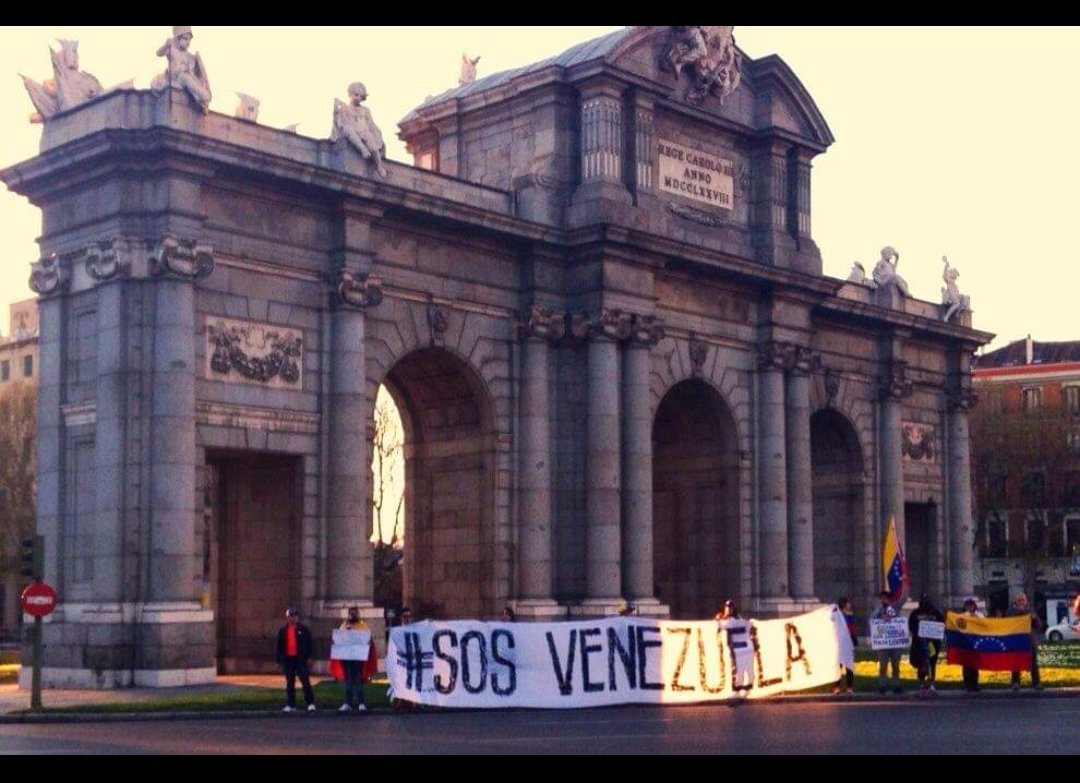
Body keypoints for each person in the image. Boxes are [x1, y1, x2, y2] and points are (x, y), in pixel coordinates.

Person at [332, 82, 388, 178]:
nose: (358, 98)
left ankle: (379, 165)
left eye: (361, 96)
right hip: (352, 131)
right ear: (350, 94)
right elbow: (340, 123)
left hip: (364, 131)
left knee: (370, 140)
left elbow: (371, 125)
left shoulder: (365, 110)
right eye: (356, 95)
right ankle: (363, 149)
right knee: (348, 130)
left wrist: (377, 135)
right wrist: (336, 110)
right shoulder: (345, 108)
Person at [152, 26, 212, 113]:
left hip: (182, 79)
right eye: (185, 39)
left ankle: (203, 97)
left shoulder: (189, 56)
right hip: (172, 78)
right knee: (184, 77)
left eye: (189, 40)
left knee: (186, 78)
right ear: (178, 38)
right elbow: (158, 53)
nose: (188, 42)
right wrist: (165, 45)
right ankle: (204, 96)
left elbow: (192, 74)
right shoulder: (171, 48)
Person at [275, 606, 316, 713]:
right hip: (288, 660)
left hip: (300, 660)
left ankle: (310, 703)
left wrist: (308, 657)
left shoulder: (304, 630)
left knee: (305, 681)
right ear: (287, 617)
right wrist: (280, 660)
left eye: (295, 616)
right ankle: (291, 704)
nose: (293, 618)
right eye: (291, 616)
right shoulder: (283, 631)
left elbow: (309, 645)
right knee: (290, 683)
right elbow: (279, 647)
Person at [908, 594, 944, 694]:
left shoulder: (935, 613)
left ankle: (931, 685)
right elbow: (911, 626)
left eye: (927, 600)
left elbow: (941, 624)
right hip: (920, 643)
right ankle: (922, 685)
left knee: (932, 663)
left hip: (932, 644)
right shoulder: (915, 613)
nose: (925, 603)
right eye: (923, 601)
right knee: (921, 664)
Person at [337, 606, 371, 713]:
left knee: (358, 680)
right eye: (351, 613)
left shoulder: (363, 626)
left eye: (354, 613)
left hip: (358, 658)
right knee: (348, 681)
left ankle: (361, 703)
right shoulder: (344, 625)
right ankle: (347, 703)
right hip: (347, 658)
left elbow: (368, 640)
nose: (352, 615)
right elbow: (339, 639)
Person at [1007, 592, 1043, 691]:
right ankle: (1015, 682)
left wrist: (1034, 618)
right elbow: (1007, 621)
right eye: (1019, 600)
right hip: (1016, 641)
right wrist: (1022, 613)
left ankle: (1036, 683)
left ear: (1026, 602)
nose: (1021, 602)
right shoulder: (1011, 612)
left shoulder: (1030, 612)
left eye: (1023, 600)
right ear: (1016, 602)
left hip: (1029, 641)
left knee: (1033, 663)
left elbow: (1038, 626)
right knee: (1016, 662)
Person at [870, 590, 903, 695]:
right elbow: (872, 619)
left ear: (889, 599)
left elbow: (899, 622)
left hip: (894, 643)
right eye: (882, 598)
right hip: (883, 643)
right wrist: (880, 613)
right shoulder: (878, 609)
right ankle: (882, 686)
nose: (883, 600)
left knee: (896, 665)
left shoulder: (894, 607)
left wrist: (891, 618)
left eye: (885, 598)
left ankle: (896, 685)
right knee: (883, 666)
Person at [833, 597, 857, 695]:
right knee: (838, 666)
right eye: (848, 603)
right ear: (844, 605)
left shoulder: (850, 617)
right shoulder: (836, 616)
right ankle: (836, 687)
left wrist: (854, 641)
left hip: (848, 644)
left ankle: (849, 687)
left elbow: (852, 630)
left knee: (849, 667)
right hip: (839, 643)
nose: (849, 605)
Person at [960, 597, 982, 693]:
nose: (970, 607)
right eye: (968, 605)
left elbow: (985, 624)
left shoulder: (979, 615)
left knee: (975, 666)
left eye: (971, 605)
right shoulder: (962, 616)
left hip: (976, 643)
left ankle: (975, 684)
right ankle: (967, 685)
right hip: (966, 643)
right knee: (966, 666)